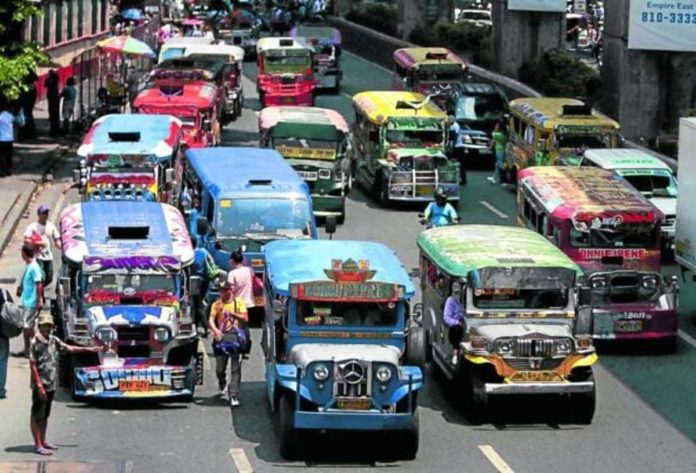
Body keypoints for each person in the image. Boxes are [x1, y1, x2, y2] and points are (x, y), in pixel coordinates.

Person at [29, 314, 102, 455]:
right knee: (36, 415)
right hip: (41, 384)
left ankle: (44, 441)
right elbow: (32, 365)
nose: (47, 328)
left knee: (45, 415)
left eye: (49, 326)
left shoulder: (53, 340)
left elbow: (69, 348)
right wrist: (39, 385)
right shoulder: (35, 342)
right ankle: (37, 444)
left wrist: (88, 349)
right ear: (40, 327)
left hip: (51, 383)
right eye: (44, 326)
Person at [208, 281, 248, 407]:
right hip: (221, 339)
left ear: (231, 290)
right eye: (221, 291)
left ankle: (234, 394)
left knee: (235, 368)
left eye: (225, 290)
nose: (223, 293)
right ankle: (222, 382)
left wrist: (232, 314)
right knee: (220, 368)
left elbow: (245, 318)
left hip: (236, 339)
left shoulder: (239, 303)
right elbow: (211, 319)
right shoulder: (216, 304)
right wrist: (216, 331)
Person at [14, 245, 44, 358]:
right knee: (25, 327)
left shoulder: (34, 267)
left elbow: (39, 283)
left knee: (28, 327)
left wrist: (39, 300)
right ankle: (27, 349)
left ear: (25, 253)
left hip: (32, 302)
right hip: (26, 301)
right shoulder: (28, 265)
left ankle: (40, 346)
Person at [24, 205, 61, 292]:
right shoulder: (33, 226)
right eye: (43, 213)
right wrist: (38, 243)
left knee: (49, 277)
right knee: (41, 277)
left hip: (48, 256)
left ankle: (39, 290)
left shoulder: (51, 226)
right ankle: (40, 296)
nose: (45, 215)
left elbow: (57, 238)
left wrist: (59, 245)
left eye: (46, 213)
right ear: (38, 214)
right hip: (38, 256)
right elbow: (26, 240)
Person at [443, 283, 465, 366]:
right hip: (455, 327)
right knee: (457, 329)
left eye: (459, 292)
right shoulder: (450, 301)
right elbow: (446, 318)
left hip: (466, 324)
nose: (458, 294)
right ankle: (455, 355)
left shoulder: (467, 300)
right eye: (456, 292)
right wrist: (457, 322)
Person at [448, 116, 467, 184]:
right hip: (456, 146)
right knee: (454, 163)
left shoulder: (455, 126)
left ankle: (463, 179)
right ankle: (455, 178)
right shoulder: (452, 126)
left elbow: (455, 138)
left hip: (458, 147)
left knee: (460, 163)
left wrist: (452, 147)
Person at [0, 103, 15, 177]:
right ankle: (9, 170)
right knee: (9, 155)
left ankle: (2, 170)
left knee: (2, 155)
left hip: (2, 139)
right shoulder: (10, 116)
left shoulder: (1, 116)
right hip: (9, 138)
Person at [45, 70, 60, 137]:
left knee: (52, 115)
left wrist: (47, 78)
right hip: (55, 98)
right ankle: (56, 130)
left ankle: (53, 131)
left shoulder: (49, 81)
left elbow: (45, 84)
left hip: (52, 98)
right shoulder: (55, 83)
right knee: (56, 115)